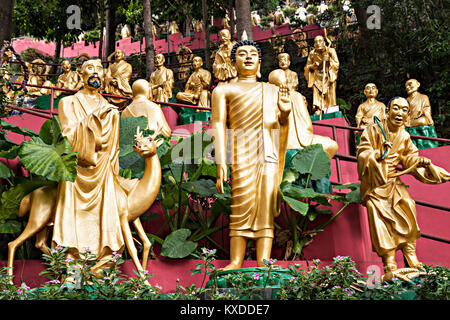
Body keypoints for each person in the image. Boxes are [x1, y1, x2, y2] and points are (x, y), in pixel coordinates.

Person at [211, 35, 291, 271]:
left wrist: (285, 114)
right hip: (240, 151)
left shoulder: (270, 90)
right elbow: (218, 124)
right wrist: (220, 162)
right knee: (240, 202)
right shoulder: (223, 90)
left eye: (253, 55)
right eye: (242, 55)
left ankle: (263, 260)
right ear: (233, 61)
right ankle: (236, 261)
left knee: (265, 204)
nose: (247, 58)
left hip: (267, 149)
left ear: (260, 63)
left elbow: (279, 123)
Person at [357, 97, 449, 277]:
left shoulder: (404, 135)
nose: (399, 113)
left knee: (408, 205)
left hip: (393, 182)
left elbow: (409, 157)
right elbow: (363, 152)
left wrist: (418, 160)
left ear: (408, 115)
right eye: (396, 109)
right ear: (387, 111)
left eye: (404, 110)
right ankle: (389, 262)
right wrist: (377, 153)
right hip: (376, 185)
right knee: (379, 218)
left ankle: (411, 255)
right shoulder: (373, 130)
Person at [53, 59, 128, 266]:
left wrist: (113, 170)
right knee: (71, 215)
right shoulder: (67, 103)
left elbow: (114, 148)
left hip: (103, 169)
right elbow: (67, 135)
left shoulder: (111, 110)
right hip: (75, 169)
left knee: (106, 211)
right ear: (81, 74)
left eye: (99, 70)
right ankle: (73, 264)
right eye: (89, 69)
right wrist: (93, 120)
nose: (95, 73)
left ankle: (102, 264)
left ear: (103, 76)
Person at [268, 53, 338, 159]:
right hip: (299, 140)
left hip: (278, 144)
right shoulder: (296, 96)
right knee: (331, 145)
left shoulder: (268, 96)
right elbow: (307, 125)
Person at [304, 35, 339, 115]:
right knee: (317, 91)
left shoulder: (330, 50)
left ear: (324, 42)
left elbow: (336, 64)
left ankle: (330, 108)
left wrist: (329, 60)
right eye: (316, 42)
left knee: (330, 91)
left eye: (320, 41)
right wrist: (313, 66)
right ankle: (319, 108)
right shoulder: (312, 53)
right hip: (317, 76)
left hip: (328, 74)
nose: (318, 43)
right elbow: (307, 67)